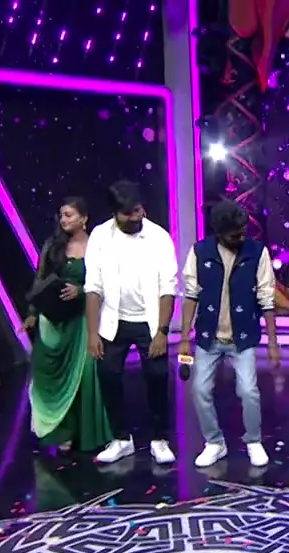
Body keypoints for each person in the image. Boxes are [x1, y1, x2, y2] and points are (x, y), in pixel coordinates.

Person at [178, 199, 283, 468]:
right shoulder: (200, 252)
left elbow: (266, 299)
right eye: (235, 234)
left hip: (242, 337)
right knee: (200, 390)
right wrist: (185, 339)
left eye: (243, 231)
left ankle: (253, 440)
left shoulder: (257, 252)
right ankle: (214, 442)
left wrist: (273, 343)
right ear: (219, 232)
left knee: (248, 390)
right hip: (208, 337)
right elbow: (191, 295)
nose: (241, 237)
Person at [84, 180, 179, 465]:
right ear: (115, 213)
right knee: (108, 376)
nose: (136, 216)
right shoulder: (100, 236)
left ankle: (160, 439)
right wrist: (92, 333)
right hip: (113, 321)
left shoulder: (159, 237)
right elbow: (93, 287)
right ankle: (121, 439)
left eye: (138, 210)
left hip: (150, 322)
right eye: (129, 213)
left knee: (157, 378)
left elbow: (168, 288)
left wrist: (162, 332)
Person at [26, 197, 112, 453]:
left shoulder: (99, 246)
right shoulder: (53, 246)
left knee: (86, 375)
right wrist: (32, 312)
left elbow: (110, 281)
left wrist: (82, 290)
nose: (64, 220)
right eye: (62, 215)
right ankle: (63, 431)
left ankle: (88, 432)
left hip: (85, 319)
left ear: (84, 218)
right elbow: (40, 279)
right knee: (52, 376)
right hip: (56, 321)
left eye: (70, 215)